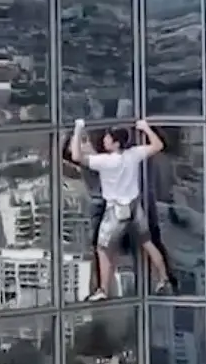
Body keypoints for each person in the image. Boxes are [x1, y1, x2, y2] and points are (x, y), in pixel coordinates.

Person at [70, 118, 173, 300]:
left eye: (108, 138)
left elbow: (76, 157)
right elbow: (158, 145)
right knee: (147, 243)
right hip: (135, 206)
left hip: (115, 211)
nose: (104, 140)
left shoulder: (105, 162)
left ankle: (103, 290)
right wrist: (145, 128)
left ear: (116, 143)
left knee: (103, 248)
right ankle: (164, 278)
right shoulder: (133, 155)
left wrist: (78, 130)